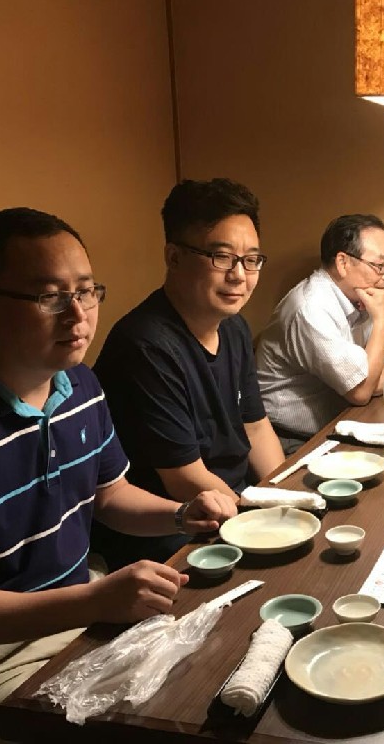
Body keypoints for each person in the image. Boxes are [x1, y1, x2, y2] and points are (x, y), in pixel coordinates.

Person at [0, 208, 236, 744]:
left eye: (85, 292)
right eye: (49, 297)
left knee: (218, 676)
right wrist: (92, 602)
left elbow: (110, 495)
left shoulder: (78, 382)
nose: (77, 315)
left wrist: (180, 514)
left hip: (79, 612)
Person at [92, 179, 284, 570]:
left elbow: (256, 427)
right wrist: (264, 525)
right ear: (174, 256)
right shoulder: (146, 345)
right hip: (175, 529)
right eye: (221, 257)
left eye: (251, 259)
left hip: (235, 502)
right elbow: (183, 479)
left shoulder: (233, 327)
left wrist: (283, 498)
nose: (239, 275)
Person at [256, 214, 384, 453]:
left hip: (343, 422)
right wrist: (381, 321)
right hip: (289, 438)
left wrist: (370, 381)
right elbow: (360, 392)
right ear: (343, 262)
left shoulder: (362, 294)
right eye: (379, 265)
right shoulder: (311, 308)